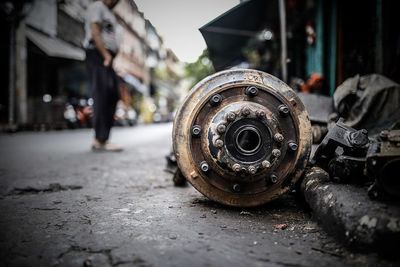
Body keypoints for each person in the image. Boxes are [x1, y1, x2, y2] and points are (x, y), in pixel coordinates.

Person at [83, 0, 122, 152]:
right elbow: (95, 30)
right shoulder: (97, 7)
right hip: (98, 54)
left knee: (113, 95)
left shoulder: (110, 13)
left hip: (107, 57)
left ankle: (103, 138)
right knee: (102, 95)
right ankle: (100, 139)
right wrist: (105, 55)